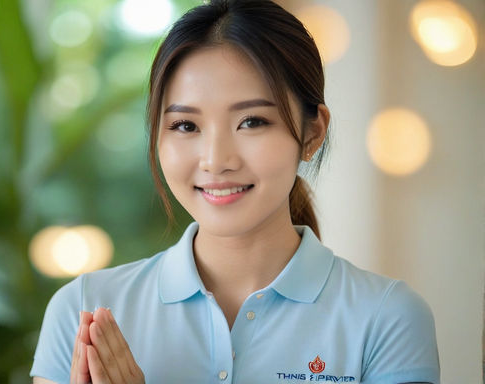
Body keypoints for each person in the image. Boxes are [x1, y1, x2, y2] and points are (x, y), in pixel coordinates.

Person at [30, 0, 440, 383]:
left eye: (251, 122)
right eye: (186, 126)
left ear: (313, 132)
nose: (216, 160)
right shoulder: (83, 308)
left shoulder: (388, 317)